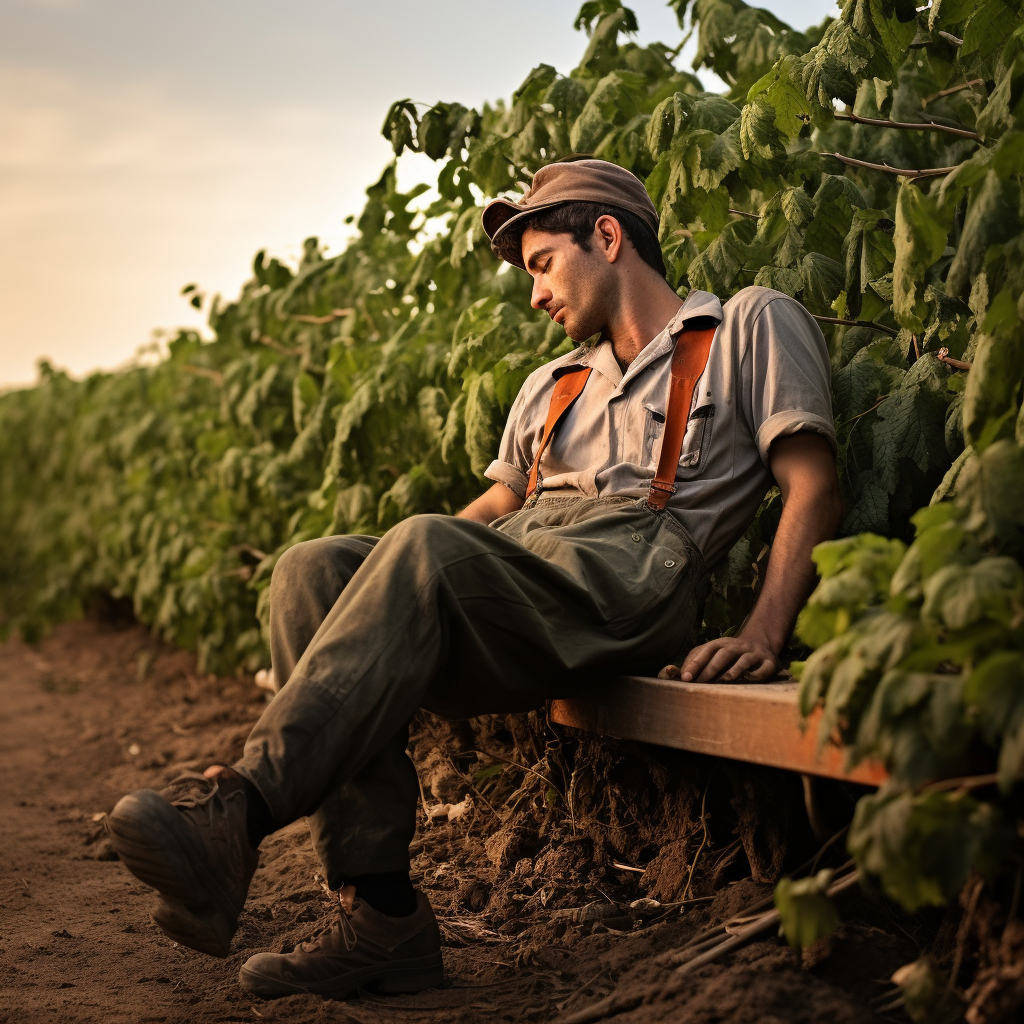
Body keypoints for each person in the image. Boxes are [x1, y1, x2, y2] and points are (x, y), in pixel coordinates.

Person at [105, 158, 843, 1000]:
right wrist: (383, 583)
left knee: (422, 544)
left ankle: (237, 814)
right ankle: (381, 916)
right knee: (312, 568)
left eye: (541, 266)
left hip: (634, 571)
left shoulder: (748, 324)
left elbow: (813, 482)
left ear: (607, 237)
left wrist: (761, 631)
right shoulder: (550, 385)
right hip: (524, 572)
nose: (535, 296)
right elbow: (494, 509)